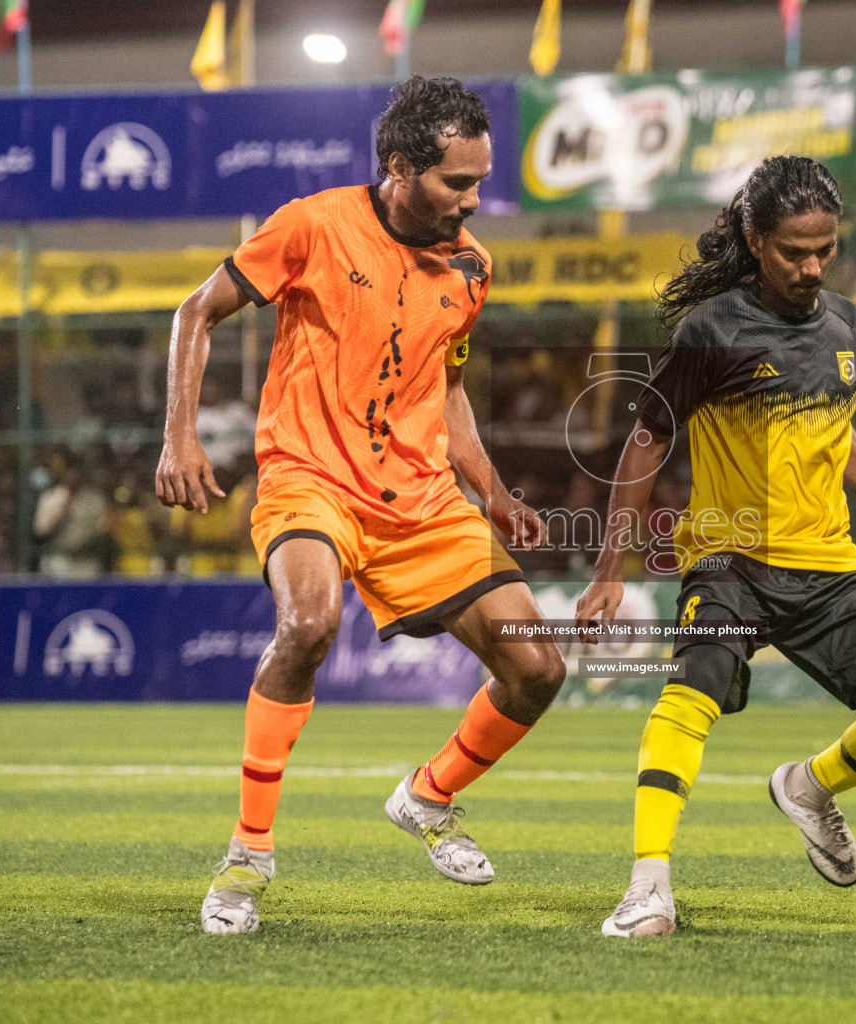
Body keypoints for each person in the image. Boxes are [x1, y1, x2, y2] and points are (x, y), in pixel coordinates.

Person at [156, 77, 566, 935]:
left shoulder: (472, 267)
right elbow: (198, 311)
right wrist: (180, 438)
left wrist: (491, 496)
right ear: (399, 167)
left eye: (481, 180)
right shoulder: (311, 224)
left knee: (538, 670)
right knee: (306, 626)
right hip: (309, 476)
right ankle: (247, 857)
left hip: (419, 497)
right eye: (458, 182)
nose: (474, 199)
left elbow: (444, 389)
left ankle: (428, 795)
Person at [573, 156, 856, 938]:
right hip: (728, 561)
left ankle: (807, 786)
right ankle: (648, 885)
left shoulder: (846, 324)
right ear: (756, 240)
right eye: (796, 251)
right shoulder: (712, 330)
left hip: (828, 564)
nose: (813, 266)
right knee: (691, 690)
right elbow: (644, 441)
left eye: (825, 249)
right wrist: (610, 570)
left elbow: (838, 436)